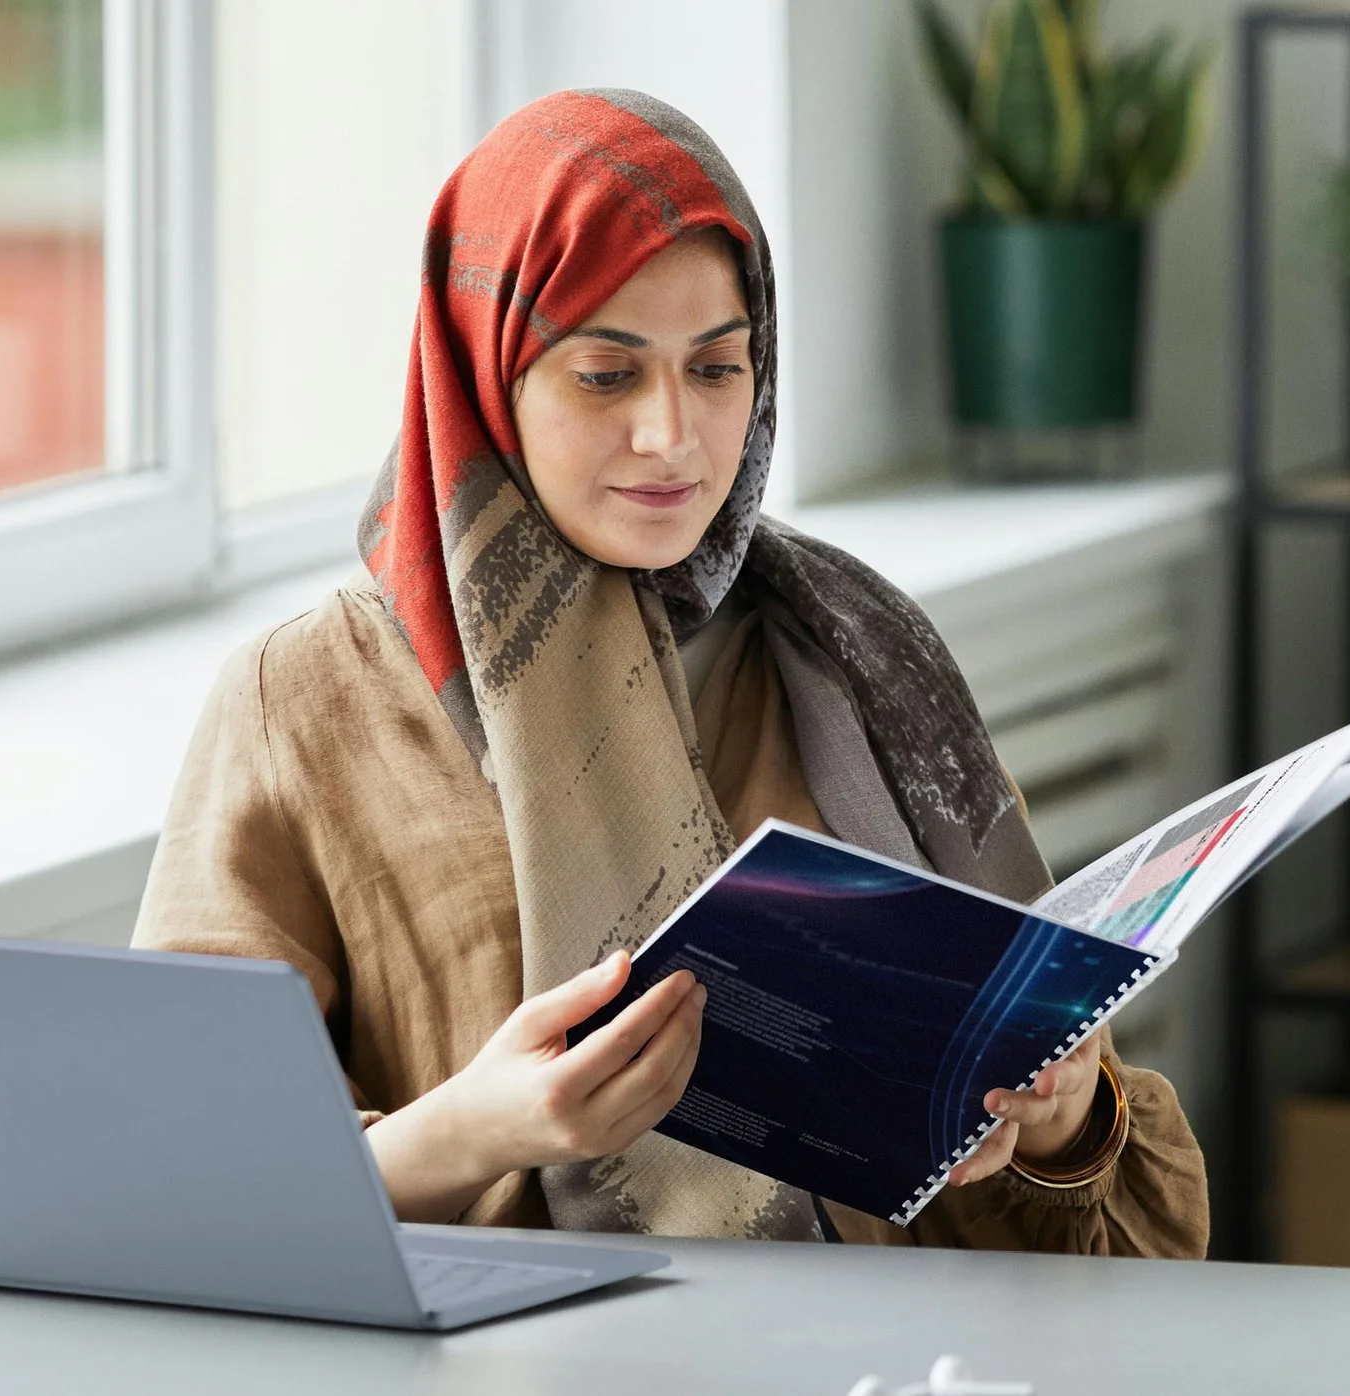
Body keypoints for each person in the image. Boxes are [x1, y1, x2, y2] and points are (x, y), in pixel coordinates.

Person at [134, 88, 1207, 1255]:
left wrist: (1062, 1118)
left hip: (888, 1345)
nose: (673, 436)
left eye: (716, 368)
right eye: (606, 375)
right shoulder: (302, 704)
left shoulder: (848, 653)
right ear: (483, 375)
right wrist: (477, 1131)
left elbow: (1101, 1234)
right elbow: (182, 1187)